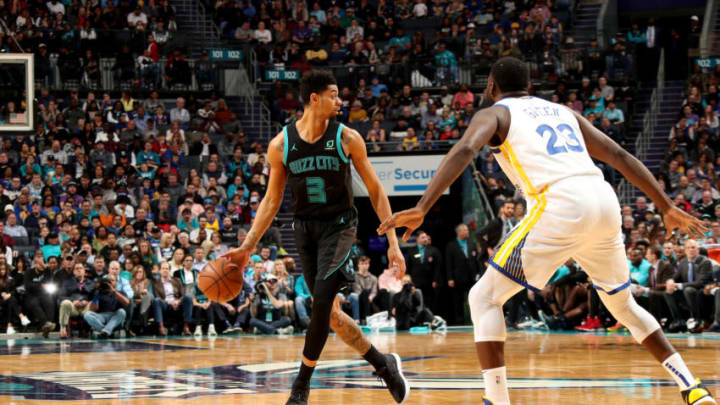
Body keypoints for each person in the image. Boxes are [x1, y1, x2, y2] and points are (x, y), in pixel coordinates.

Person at [378, 57, 716, 405]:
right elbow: (617, 154)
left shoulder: (495, 113)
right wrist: (666, 206)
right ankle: (692, 387)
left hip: (559, 202)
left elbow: (465, 148)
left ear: (492, 86)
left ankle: (497, 400)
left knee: (483, 298)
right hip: (603, 200)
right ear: (530, 86)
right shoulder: (563, 112)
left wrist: (422, 206)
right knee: (624, 305)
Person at [223, 70, 409, 405]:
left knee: (321, 302)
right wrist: (248, 245)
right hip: (304, 230)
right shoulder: (281, 145)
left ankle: (301, 384)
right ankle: (384, 364)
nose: (340, 101)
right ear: (314, 98)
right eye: (334, 95)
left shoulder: (347, 138)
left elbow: (375, 190)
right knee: (332, 316)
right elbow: (271, 199)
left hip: (340, 227)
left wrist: (394, 242)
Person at [83, 273, 129, 338]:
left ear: (116, 282)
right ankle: (107, 331)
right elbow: (93, 309)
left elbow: (126, 303)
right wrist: (96, 294)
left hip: (114, 316)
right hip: (101, 316)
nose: (108, 284)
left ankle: (105, 331)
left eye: (111, 281)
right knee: (87, 314)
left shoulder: (120, 292)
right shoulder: (98, 292)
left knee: (122, 312)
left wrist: (114, 291)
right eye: (106, 282)